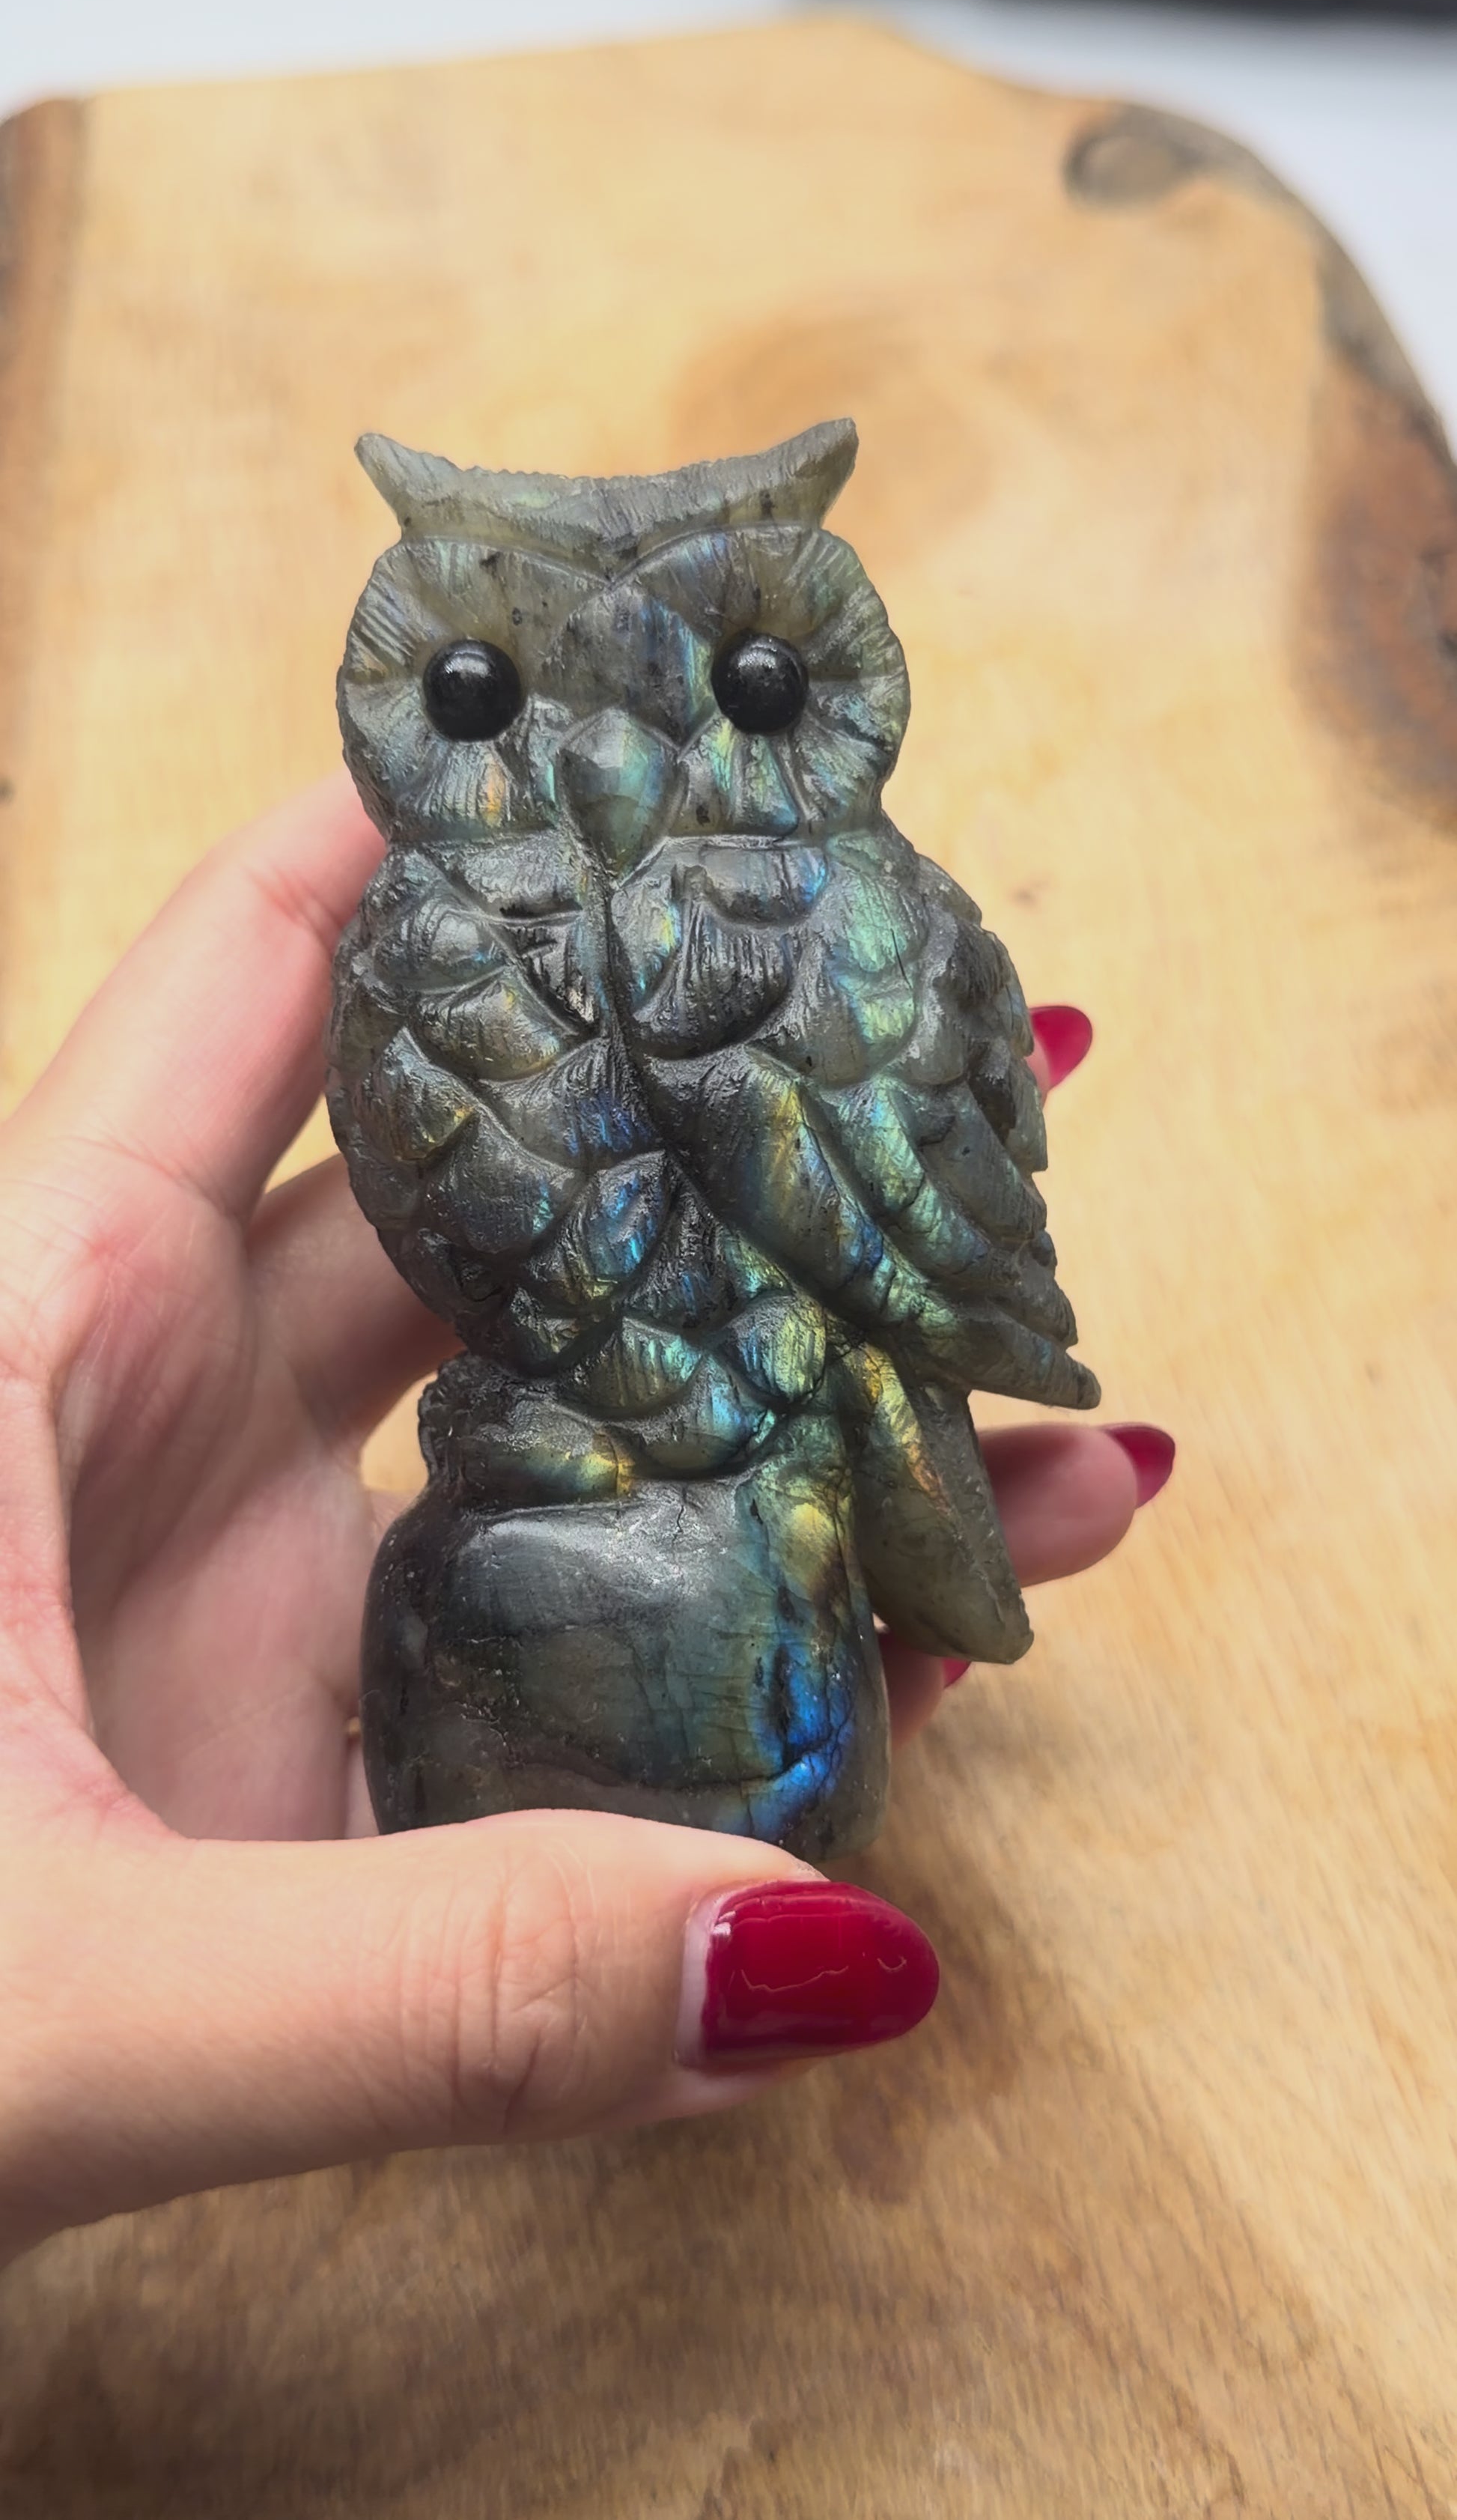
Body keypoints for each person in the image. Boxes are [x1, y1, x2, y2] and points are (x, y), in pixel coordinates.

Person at [0, 774, 1172, 2268]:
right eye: (475, 685)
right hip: (563, 1525)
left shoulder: (802, 932)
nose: (618, 763)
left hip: (738, 1507)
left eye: (752, 683)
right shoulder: (441, 940)